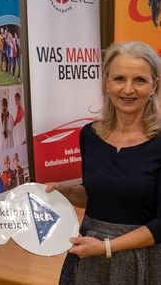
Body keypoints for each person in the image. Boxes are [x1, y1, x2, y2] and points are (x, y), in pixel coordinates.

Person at [46, 41, 161, 284]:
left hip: (140, 262)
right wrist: (65, 192)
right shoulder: (90, 135)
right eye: (119, 79)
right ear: (106, 83)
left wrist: (106, 247)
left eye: (139, 80)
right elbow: (96, 195)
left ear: (154, 86)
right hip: (88, 256)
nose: (128, 89)